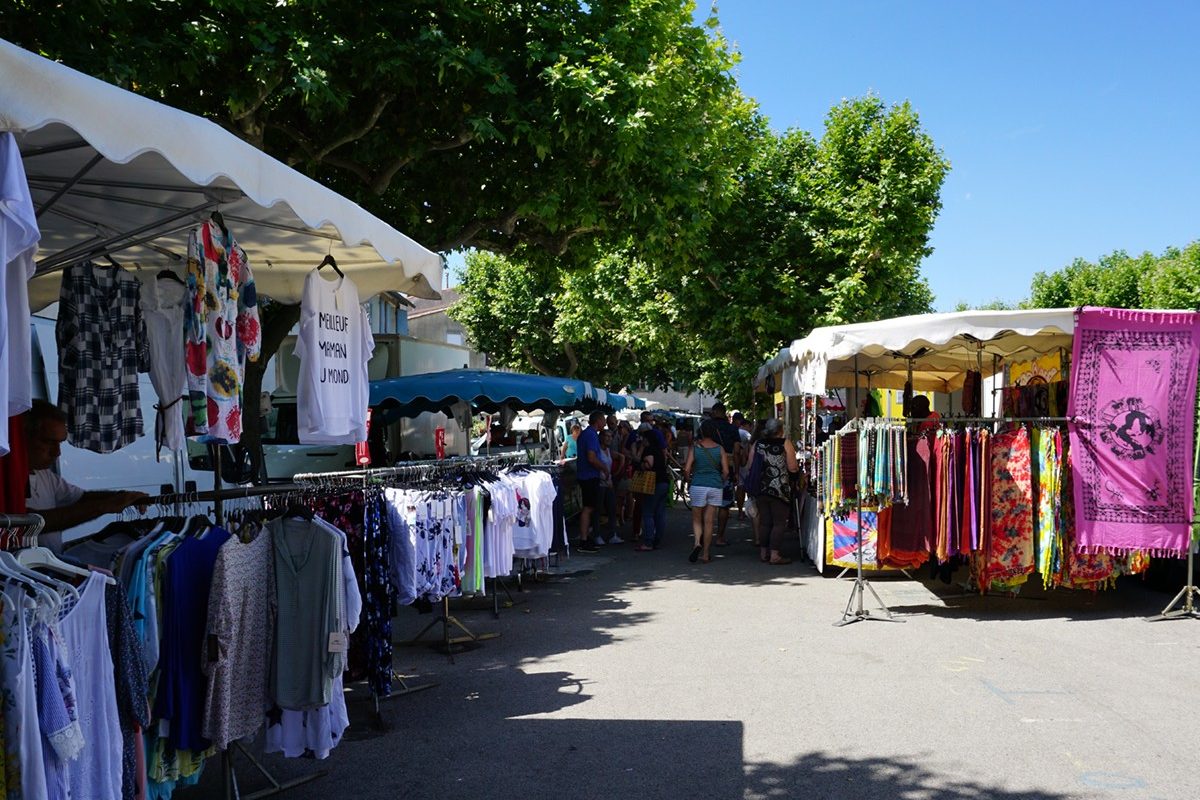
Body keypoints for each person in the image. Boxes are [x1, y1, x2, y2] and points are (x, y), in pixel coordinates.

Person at [24, 399, 149, 553]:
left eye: (60, 443)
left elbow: (81, 497)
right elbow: (29, 521)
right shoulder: (6, 479)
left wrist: (123, 497)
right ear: (23, 438)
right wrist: (105, 506)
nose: (57, 452)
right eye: (48, 442)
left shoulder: (44, 475)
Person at [752, 418, 799, 565]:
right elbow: (792, 467)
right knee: (779, 523)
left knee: (765, 522)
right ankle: (775, 555)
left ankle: (763, 553)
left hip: (761, 487)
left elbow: (749, 465)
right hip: (779, 488)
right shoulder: (785, 443)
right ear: (780, 430)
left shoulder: (757, 443)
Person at [683, 419, 728, 564]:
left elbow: (687, 469)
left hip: (698, 485)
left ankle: (697, 542)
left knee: (697, 519)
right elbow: (726, 471)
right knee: (709, 521)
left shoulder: (695, 448)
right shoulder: (720, 449)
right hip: (715, 485)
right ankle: (706, 554)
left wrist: (688, 480)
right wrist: (720, 479)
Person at [574, 411, 610, 552]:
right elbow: (591, 457)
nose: (605, 423)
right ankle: (583, 539)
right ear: (598, 420)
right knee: (588, 508)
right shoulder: (591, 435)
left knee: (591, 507)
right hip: (588, 476)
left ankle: (585, 536)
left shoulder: (588, 434)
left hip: (588, 475)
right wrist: (604, 468)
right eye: (604, 420)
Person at [634, 422, 670, 552]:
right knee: (660, 513)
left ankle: (648, 541)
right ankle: (657, 540)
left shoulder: (649, 450)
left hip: (653, 483)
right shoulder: (660, 451)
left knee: (648, 512)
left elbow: (648, 464)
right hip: (664, 481)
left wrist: (642, 464)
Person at [708, 402, 741, 546]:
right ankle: (720, 537)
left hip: (707, 468)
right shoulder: (732, 429)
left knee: (706, 504)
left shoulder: (706, 426)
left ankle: (704, 535)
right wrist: (737, 471)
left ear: (715, 412)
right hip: (727, 467)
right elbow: (737, 451)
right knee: (724, 505)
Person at [595, 429, 622, 544]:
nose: (609, 438)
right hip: (600, 483)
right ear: (601, 437)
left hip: (609, 483)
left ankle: (612, 534)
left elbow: (622, 457)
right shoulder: (597, 451)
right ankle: (596, 535)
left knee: (612, 508)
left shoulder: (609, 451)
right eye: (606, 436)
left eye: (610, 436)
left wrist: (615, 474)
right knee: (598, 510)